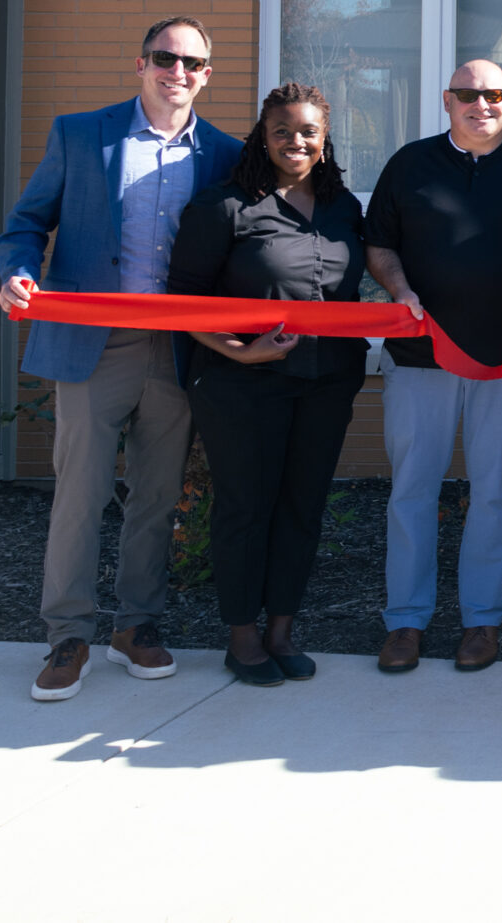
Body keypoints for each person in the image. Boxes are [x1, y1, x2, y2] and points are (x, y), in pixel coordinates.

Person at [0, 17, 244, 702]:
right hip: (92, 342)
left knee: (157, 494)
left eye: (193, 62)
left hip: (176, 349)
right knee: (80, 492)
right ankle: (67, 634)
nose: (178, 71)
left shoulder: (224, 153)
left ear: (206, 74)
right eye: (166, 57)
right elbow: (26, 223)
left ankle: (135, 625)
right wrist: (17, 270)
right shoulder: (82, 134)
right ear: (140, 63)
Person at [363, 59, 502, 676]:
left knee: (493, 492)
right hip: (419, 356)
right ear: (447, 99)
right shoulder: (410, 165)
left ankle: (481, 621)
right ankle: (405, 621)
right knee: (412, 489)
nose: (480, 104)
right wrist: (400, 289)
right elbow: (377, 243)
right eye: (468, 94)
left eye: (493, 94)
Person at [168, 83, 369, 686]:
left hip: (326, 381)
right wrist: (240, 350)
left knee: (302, 506)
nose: (295, 142)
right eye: (282, 130)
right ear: (263, 135)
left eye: (308, 131)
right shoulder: (225, 206)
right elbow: (183, 301)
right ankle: (242, 637)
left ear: (325, 138)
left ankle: (282, 629)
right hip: (239, 385)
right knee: (245, 507)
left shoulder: (343, 208)